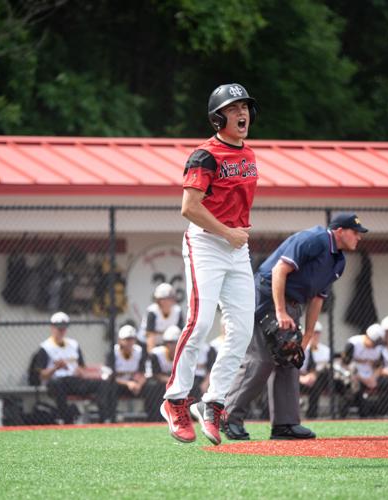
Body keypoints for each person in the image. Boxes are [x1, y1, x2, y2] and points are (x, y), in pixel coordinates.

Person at [161, 83, 260, 445]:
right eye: (234, 108)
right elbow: (189, 207)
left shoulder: (249, 154)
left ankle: (214, 402)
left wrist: (236, 233)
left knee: (242, 332)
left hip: (236, 247)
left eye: (245, 106)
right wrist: (227, 233)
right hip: (206, 243)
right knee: (199, 322)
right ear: (218, 116)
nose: (242, 113)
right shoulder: (204, 155)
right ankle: (175, 400)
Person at [220, 212, 367, 440]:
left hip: (292, 305)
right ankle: (227, 416)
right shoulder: (314, 239)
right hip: (268, 295)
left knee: (289, 359)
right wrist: (279, 311)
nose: (359, 237)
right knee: (261, 359)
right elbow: (279, 271)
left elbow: (318, 298)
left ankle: (285, 424)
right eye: (355, 232)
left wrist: (308, 334)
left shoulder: (339, 261)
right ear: (340, 231)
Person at [31, 312, 112, 424]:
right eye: (58, 328)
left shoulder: (73, 344)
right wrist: (55, 368)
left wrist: (81, 372)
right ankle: (66, 420)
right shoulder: (45, 347)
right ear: (52, 327)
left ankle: (105, 419)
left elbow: (82, 367)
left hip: (75, 380)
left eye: (64, 328)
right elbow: (42, 375)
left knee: (103, 384)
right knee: (58, 384)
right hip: (57, 382)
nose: (61, 331)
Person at [104, 324, 159, 422]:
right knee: (109, 387)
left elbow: (145, 372)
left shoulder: (140, 351)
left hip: (136, 385)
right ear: (120, 340)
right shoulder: (112, 353)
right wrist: (128, 383)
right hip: (119, 384)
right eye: (126, 339)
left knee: (152, 387)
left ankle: (153, 419)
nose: (129, 342)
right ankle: (111, 419)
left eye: (132, 339)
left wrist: (138, 384)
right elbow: (108, 376)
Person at [343, 323, 385, 417]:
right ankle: (360, 415)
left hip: (371, 376)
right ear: (367, 336)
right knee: (355, 387)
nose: (375, 346)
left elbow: (380, 365)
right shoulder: (353, 343)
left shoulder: (378, 348)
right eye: (374, 342)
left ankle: (382, 413)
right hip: (355, 376)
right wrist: (363, 379)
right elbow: (346, 364)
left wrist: (373, 378)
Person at [299, 321, 332, 419]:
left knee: (318, 383)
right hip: (298, 378)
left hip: (315, 380)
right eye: (313, 332)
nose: (315, 335)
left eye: (317, 333)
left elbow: (322, 367)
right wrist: (301, 378)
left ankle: (312, 416)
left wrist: (313, 375)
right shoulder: (300, 348)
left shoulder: (325, 350)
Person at [137, 283, 183, 353]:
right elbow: (150, 337)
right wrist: (152, 357)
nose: (172, 300)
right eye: (169, 298)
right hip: (146, 344)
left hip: (167, 344)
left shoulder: (177, 311)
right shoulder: (152, 312)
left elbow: (180, 335)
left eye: (172, 297)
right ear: (160, 300)